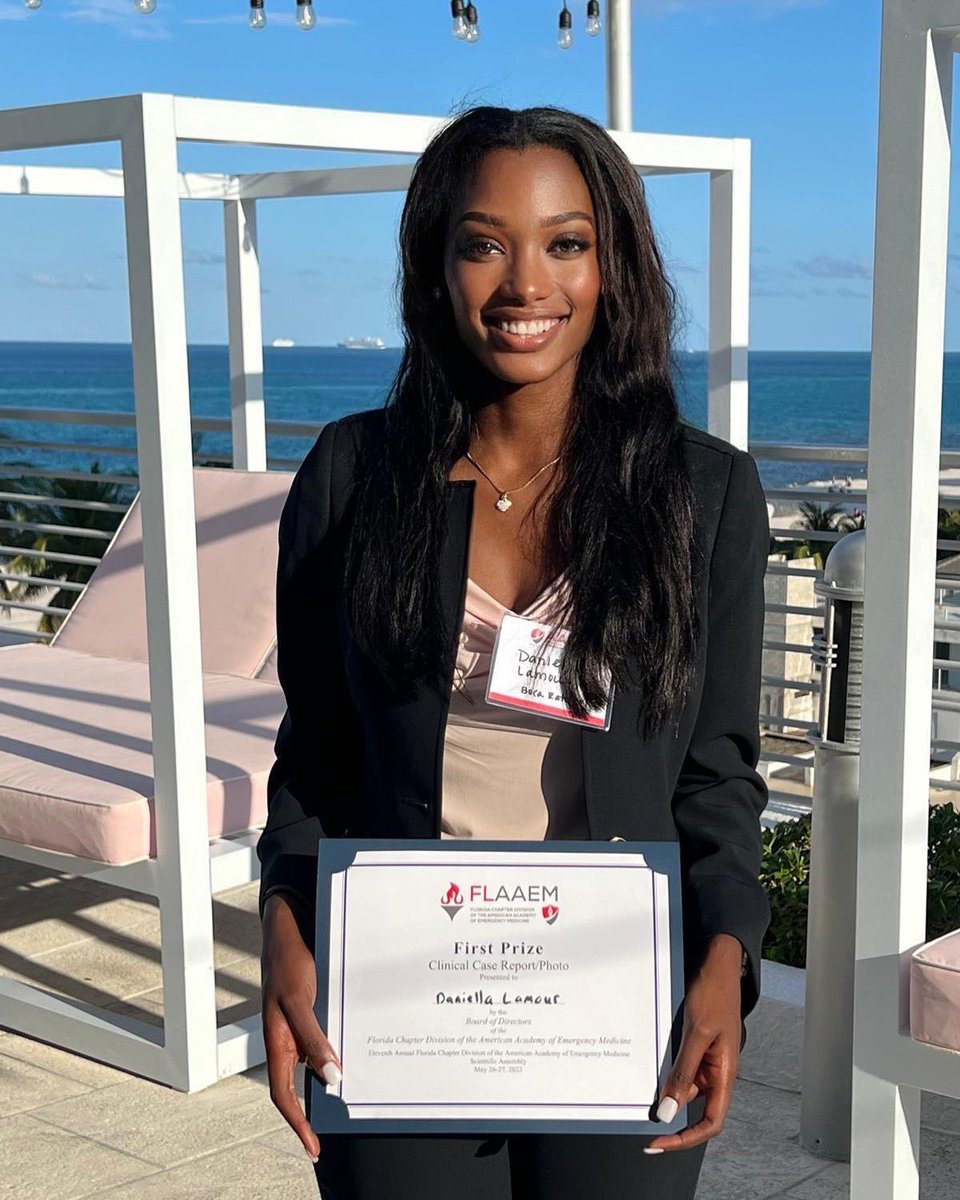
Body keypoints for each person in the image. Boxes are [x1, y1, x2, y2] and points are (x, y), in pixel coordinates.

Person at [257, 104, 771, 1200]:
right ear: (435, 266)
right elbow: (316, 755)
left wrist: (724, 959)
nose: (524, 283)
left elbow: (717, 775)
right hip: (396, 1001)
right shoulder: (354, 477)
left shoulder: (702, 495)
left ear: (612, 265)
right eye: (484, 242)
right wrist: (285, 926)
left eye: (565, 243)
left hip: (619, 1004)